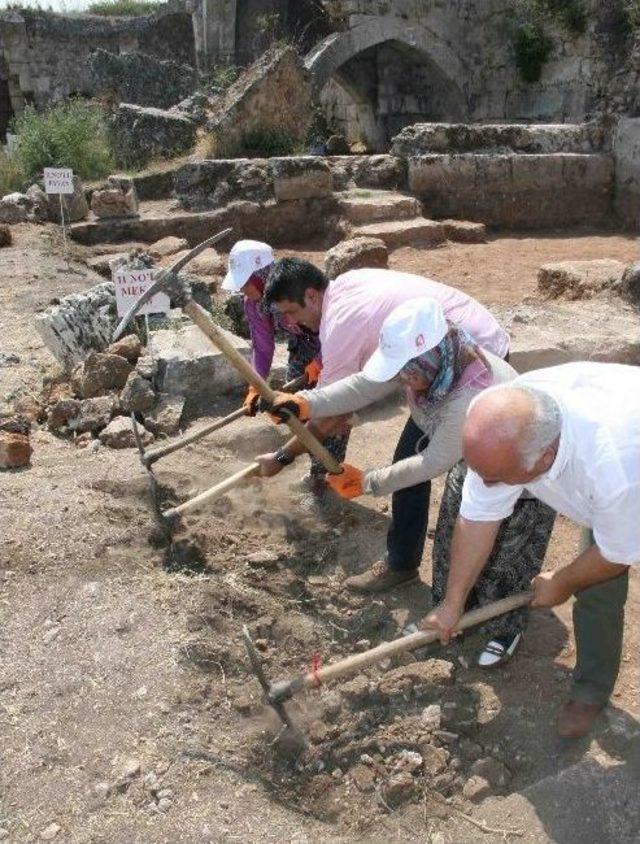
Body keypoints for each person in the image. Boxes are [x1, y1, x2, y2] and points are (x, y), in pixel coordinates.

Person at [260, 298, 555, 667]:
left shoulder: (472, 392)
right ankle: (447, 616)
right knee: (453, 538)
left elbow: (433, 461)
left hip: (521, 466)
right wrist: (305, 403)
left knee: (509, 551)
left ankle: (504, 629)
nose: (402, 380)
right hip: (472, 459)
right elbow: (365, 385)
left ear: (431, 357)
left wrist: (370, 482)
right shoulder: (433, 366)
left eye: (408, 372)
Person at [422, 362, 640, 737]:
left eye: (498, 478)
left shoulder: (614, 471)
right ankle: (591, 691)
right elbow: (477, 518)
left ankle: (589, 692)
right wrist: (452, 602)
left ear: (542, 459)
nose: (487, 485)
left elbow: (616, 553)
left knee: (596, 578)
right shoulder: (499, 423)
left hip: (626, 475)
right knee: (597, 581)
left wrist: (566, 579)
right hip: (606, 473)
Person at [222, 241, 346, 485]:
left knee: (328, 409)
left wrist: (321, 362)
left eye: (246, 283)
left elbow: (335, 324)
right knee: (294, 410)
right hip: (302, 346)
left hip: (335, 342)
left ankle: (325, 474)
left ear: (261, 274)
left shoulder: (296, 286)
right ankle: (314, 459)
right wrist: (255, 384)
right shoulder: (254, 304)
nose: (243, 290)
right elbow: (263, 345)